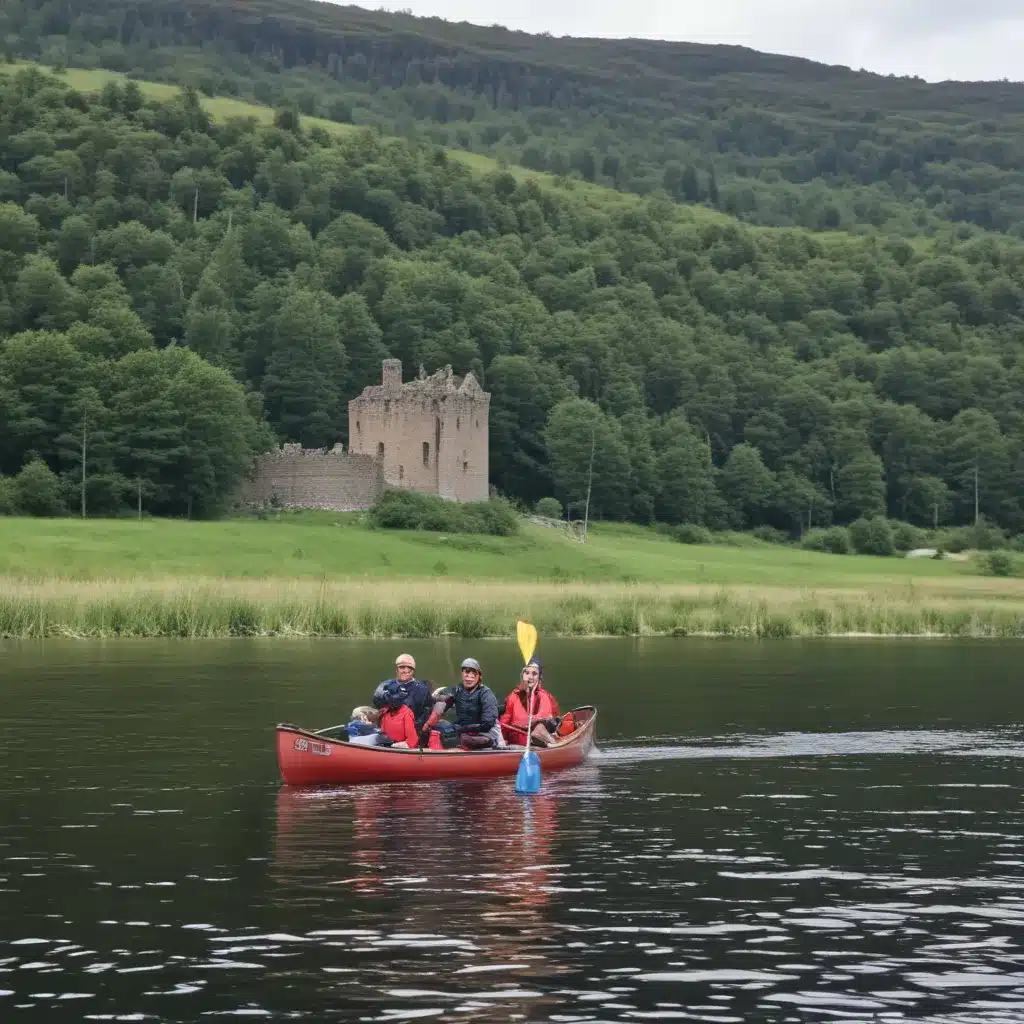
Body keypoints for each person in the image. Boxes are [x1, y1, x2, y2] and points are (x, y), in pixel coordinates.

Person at [421, 657, 502, 749]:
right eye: (467, 672)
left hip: (483, 732)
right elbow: (440, 707)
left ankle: (485, 745)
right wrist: (428, 725)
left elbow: (487, 724)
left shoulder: (486, 694)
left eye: (473, 674)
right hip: (462, 729)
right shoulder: (456, 690)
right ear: (462, 674)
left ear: (479, 676)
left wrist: (465, 729)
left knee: (465, 739)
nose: (469, 677)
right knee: (438, 726)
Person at [500, 656, 561, 747]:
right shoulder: (513, 697)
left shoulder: (545, 696)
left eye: (534, 674)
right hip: (520, 735)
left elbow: (549, 717)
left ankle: (546, 740)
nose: (530, 677)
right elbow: (505, 720)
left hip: (539, 731)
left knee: (540, 727)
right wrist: (501, 739)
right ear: (522, 675)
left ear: (539, 678)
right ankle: (541, 739)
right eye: (527, 673)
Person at [372, 653, 433, 731]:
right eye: (402, 667)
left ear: (413, 671)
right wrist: (387, 696)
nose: (405, 671)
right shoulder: (386, 684)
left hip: (411, 728)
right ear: (396, 669)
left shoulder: (421, 688)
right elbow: (376, 701)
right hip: (386, 724)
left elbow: (424, 711)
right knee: (360, 711)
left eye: (409, 668)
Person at [376, 681, 419, 748]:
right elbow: (381, 732)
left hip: (398, 749)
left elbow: (412, 740)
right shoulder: (384, 712)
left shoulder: (406, 713)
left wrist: (394, 746)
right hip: (384, 744)